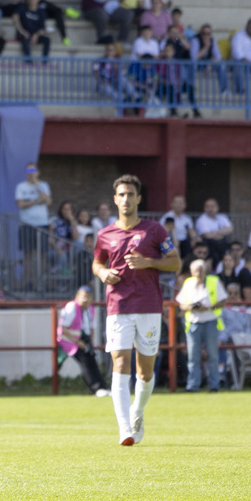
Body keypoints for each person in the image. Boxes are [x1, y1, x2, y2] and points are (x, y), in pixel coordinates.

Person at [92, 174, 181, 446]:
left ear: (138, 198)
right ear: (115, 198)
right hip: (118, 305)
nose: (126, 199)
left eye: (131, 194)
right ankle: (124, 429)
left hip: (149, 306)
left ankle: (138, 412)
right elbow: (96, 263)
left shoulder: (154, 231)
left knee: (145, 372)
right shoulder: (104, 234)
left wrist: (148, 262)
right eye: (121, 194)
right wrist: (103, 273)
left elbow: (175, 263)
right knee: (120, 362)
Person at [177, 258, 227, 394]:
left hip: (211, 321)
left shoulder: (213, 281)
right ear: (191, 272)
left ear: (204, 271)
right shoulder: (188, 283)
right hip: (193, 323)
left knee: (213, 355)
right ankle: (193, 386)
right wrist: (192, 307)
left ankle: (214, 386)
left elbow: (223, 301)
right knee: (193, 357)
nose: (198, 274)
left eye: (200, 271)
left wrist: (208, 307)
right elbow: (181, 304)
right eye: (195, 271)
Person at [57, 285, 109, 397]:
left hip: (84, 339)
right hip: (68, 340)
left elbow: (91, 328)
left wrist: (90, 343)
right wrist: (77, 342)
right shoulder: (71, 307)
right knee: (84, 361)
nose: (85, 299)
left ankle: (103, 387)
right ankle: (95, 388)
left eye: (88, 296)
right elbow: (63, 328)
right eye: (83, 296)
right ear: (77, 297)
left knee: (92, 360)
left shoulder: (90, 309)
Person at [15, 163, 51, 290]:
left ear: (38, 172)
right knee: (27, 254)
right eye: (28, 170)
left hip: (42, 223)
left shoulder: (43, 185)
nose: (31, 173)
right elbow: (20, 204)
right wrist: (36, 201)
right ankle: (28, 282)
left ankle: (41, 282)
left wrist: (37, 186)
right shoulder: (21, 187)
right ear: (25, 173)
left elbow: (47, 201)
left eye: (33, 170)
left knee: (42, 254)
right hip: (27, 224)